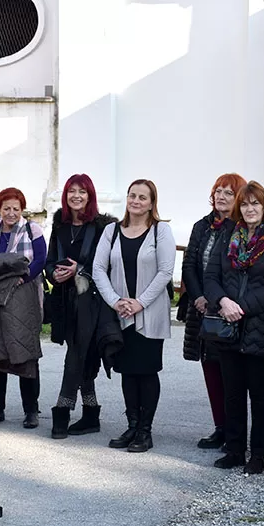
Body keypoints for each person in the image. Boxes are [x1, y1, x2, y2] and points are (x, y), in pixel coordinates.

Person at [203, 181, 264, 474]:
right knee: (232, 392)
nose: (249, 209)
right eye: (245, 204)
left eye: (255, 203)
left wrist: (242, 308)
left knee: (260, 394)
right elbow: (212, 275)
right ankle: (235, 449)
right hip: (227, 326)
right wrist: (223, 302)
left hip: (259, 326)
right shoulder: (229, 233)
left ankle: (259, 453)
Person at [94, 179, 175, 452]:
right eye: (132, 196)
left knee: (147, 371)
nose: (136, 201)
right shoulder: (111, 231)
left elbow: (165, 272)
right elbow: (98, 270)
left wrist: (140, 303)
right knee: (127, 371)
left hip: (150, 313)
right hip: (121, 314)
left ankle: (145, 431)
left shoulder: (160, 232)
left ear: (152, 203)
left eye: (143, 197)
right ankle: (131, 425)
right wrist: (116, 302)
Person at [44, 174, 120, 439]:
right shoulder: (60, 225)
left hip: (93, 301)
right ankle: (90, 413)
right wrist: (55, 273)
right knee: (83, 355)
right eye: (71, 191)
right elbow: (50, 259)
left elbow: (109, 265)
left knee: (76, 354)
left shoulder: (103, 227)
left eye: (82, 192)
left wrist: (81, 270)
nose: (76, 196)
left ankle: (62, 411)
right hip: (66, 302)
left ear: (90, 196)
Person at [181, 173, 247, 450]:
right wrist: (197, 297)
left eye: (228, 193)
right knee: (210, 367)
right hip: (203, 310)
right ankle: (220, 427)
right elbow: (190, 265)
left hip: (231, 309)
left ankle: (235, 430)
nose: (221, 196)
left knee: (231, 373)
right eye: (217, 191)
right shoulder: (202, 226)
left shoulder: (243, 228)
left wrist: (218, 300)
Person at [0, 188, 47, 429]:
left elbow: (41, 259)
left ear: (22, 210)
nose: (11, 213)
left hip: (24, 294)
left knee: (25, 352)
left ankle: (31, 410)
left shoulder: (33, 230)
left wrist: (22, 278)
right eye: (6, 208)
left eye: (16, 209)